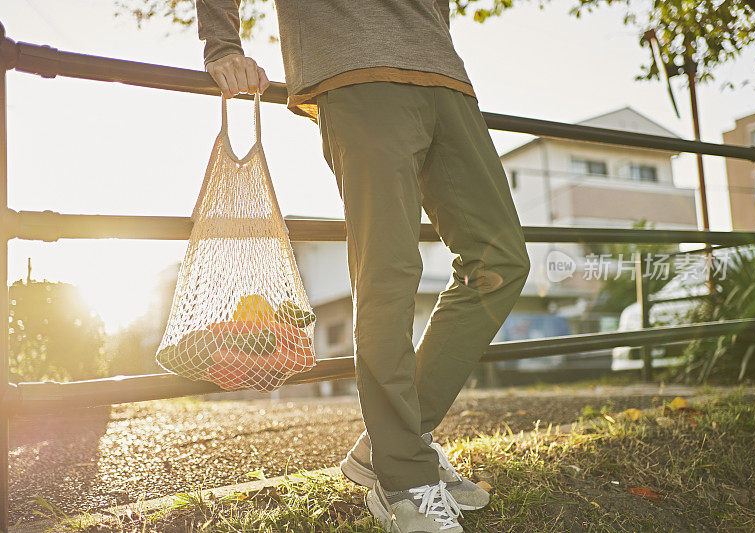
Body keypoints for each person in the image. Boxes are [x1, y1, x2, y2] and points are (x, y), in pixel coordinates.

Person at [196, 1, 530, 531]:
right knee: (389, 273)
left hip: (445, 75)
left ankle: (392, 444)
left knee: (502, 261)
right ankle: (403, 479)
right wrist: (223, 44)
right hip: (352, 71)